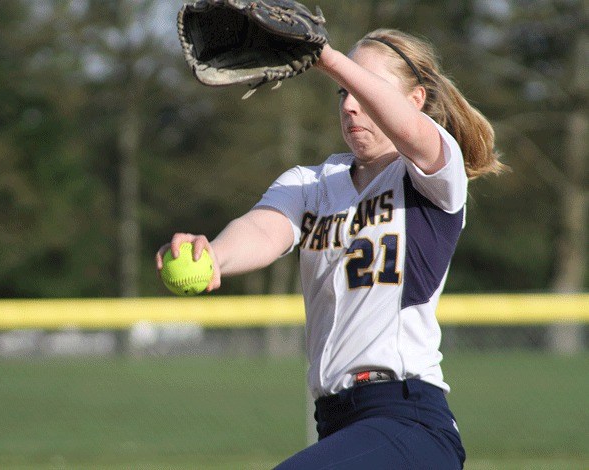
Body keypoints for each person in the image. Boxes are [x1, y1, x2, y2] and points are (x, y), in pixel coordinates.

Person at [156, 28, 504, 469]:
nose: (350, 104)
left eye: (364, 89)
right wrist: (214, 256)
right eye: (342, 92)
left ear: (414, 100)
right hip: (338, 424)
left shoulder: (432, 175)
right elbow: (265, 230)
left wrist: (328, 58)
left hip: (408, 420)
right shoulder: (313, 183)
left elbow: (416, 135)